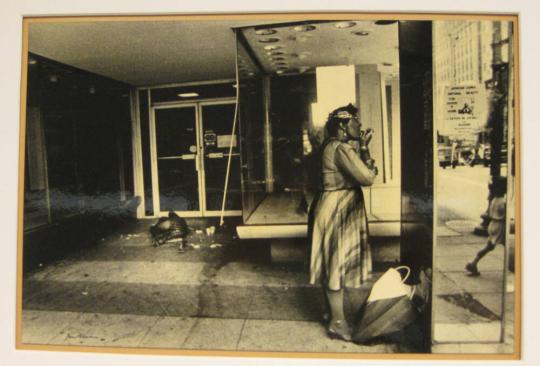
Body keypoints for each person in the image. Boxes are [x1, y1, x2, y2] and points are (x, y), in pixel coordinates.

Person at [309, 104, 377, 341]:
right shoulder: (341, 149)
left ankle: (331, 314)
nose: (359, 126)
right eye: (354, 122)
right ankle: (338, 322)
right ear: (342, 125)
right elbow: (368, 177)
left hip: (330, 205)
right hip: (338, 209)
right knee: (336, 264)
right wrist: (366, 149)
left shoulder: (329, 146)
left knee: (332, 262)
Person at [466, 176, 507, 276]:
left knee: (489, 247)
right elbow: (505, 216)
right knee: (509, 246)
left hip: (492, 225)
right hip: (500, 226)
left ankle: (473, 263)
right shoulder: (503, 201)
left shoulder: (494, 200)